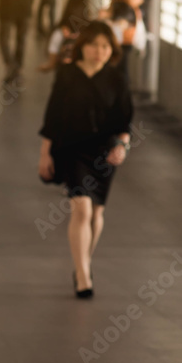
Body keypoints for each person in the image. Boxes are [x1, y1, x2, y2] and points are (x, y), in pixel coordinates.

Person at [38, 21, 133, 299]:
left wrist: (122, 146)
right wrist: (45, 153)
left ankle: (84, 262)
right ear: (83, 47)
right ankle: (82, 277)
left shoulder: (116, 79)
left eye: (105, 46)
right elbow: (53, 116)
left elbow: (124, 118)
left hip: (104, 151)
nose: (99, 51)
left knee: (97, 213)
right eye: (94, 45)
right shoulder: (67, 74)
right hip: (72, 148)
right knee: (82, 208)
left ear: (111, 49)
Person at [100, 0, 148, 78]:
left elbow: (133, 2)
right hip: (114, 30)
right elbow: (111, 11)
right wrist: (104, 14)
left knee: (121, 64)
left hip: (127, 34)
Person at [38, 0, 91, 72]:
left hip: (64, 76)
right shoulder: (90, 31)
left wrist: (47, 67)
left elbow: (52, 61)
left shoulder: (60, 31)